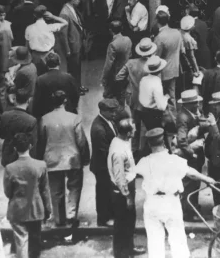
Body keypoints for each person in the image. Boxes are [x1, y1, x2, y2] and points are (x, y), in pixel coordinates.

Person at [136, 128, 215, 258]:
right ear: (164, 143)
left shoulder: (144, 162)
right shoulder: (174, 160)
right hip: (170, 202)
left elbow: (130, 172)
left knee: (155, 242)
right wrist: (208, 179)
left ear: (149, 144)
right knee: (178, 240)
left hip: (152, 203)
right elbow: (192, 173)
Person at [36, 90, 89, 240]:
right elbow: (81, 141)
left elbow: (41, 141)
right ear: (65, 101)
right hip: (72, 158)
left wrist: (41, 158)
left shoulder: (44, 119)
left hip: (52, 158)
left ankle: (59, 219)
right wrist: (85, 157)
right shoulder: (74, 118)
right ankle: (72, 216)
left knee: (55, 190)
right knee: (74, 187)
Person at [3, 132, 52, 258]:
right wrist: (48, 209)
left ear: (15, 148)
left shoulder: (9, 168)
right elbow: (45, 190)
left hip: (17, 208)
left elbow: (8, 192)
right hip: (36, 207)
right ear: (30, 146)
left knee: (21, 241)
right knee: (35, 240)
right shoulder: (41, 165)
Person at [108, 118, 145, 258]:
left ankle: (129, 249)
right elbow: (119, 177)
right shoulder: (118, 151)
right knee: (122, 222)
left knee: (129, 221)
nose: (135, 131)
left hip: (127, 186)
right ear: (128, 132)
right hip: (122, 190)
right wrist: (127, 196)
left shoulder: (123, 141)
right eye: (133, 129)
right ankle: (120, 253)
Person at [115, 38, 156, 158]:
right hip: (148, 100)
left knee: (135, 125)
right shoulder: (153, 64)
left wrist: (130, 82)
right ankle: (150, 150)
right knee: (150, 124)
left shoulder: (130, 63)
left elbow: (118, 77)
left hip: (133, 98)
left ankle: (134, 151)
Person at [176, 89, 209, 221]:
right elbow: (181, 140)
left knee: (194, 184)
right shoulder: (183, 118)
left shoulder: (191, 113)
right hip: (190, 158)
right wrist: (191, 154)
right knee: (190, 185)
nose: (197, 104)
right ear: (188, 104)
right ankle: (189, 213)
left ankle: (192, 206)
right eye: (195, 103)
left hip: (195, 156)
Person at [90, 98, 119, 227]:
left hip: (106, 164)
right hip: (103, 166)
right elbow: (104, 152)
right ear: (103, 111)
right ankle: (103, 219)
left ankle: (109, 215)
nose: (114, 114)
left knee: (108, 191)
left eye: (114, 111)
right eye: (111, 112)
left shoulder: (107, 122)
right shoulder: (99, 129)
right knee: (103, 192)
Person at [31, 52, 80, 118]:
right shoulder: (68, 77)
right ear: (59, 62)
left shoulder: (40, 80)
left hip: (47, 114)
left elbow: (37, 101)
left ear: (46, 63)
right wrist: (72, 108)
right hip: (66, 112)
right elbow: (76, 95)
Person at [0, 89, 37, 167]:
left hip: (8, 154)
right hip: (24, 157)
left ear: (15, 99)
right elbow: (33, 142)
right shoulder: (31, 120)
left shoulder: (5, 115)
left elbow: (1, 135)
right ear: (28, 101)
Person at [24, 5, 67, 73]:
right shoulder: (50, 27)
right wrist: (53, 16)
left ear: (34, 15)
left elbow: (27, 46)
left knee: (37, 76)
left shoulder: (29, 28)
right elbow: (65, 23)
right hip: (50, 55)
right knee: (50, 76)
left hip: (35, 56)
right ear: (46, 15)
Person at [58, 0, 86, 92]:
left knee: (77, 68)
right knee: (73, 69)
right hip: (72, 45)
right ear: (72, 0)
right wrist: (67, 49)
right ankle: (74, 89)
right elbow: (63, 34)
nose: (79, 1)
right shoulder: (64, 13)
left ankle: (78, 86)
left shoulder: (72, 9)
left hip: (76, 43)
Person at [153, 8, 182, 100]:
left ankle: (165, 114)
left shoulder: (159, 37)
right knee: (172, 95)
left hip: (163, 71)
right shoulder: (177, 32)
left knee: (162, 96)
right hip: (175, 67)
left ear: (157, 20)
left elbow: (156, 57)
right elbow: (181, 49)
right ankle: (173, 113)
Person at [103, 21, 132, 101]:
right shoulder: (128, 40)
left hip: (115, 75)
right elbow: (130, 55)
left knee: (113, 98)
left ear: (110, 30)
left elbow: (108, 65)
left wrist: (104, 79)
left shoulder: (113, 44)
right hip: (126, 72)